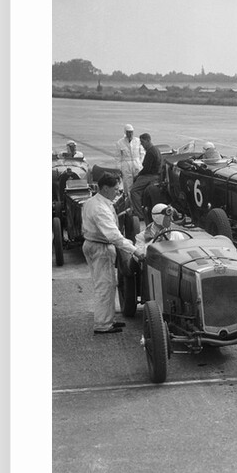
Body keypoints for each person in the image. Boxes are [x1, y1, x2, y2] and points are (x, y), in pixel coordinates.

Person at [81, 173, 146, 334]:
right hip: (100, 248)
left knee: (109, 285)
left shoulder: (95, 201)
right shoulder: (100, 209)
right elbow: (113, 235)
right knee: (104, 286)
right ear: (105, 188)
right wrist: (136, 251)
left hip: (96, 245)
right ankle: (103, 325)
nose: (118, 192)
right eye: (115, 189)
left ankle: (108, 320)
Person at [128, 132, 163, 221]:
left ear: (148, 141)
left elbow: (146, 169)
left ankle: (139, 214)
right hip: (156, 175)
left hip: (150, 176)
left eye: (143, 142)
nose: (142, 145)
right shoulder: (156, 149)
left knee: (134, 191)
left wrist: (138, 176)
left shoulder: (151, 152)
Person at [115, 123, 145, 205]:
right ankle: (129, 203)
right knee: (128, 185)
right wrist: (119, 169)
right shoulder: (120, 143)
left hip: (137, 164)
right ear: (125, 132)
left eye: (131, 132)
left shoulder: (138, 141)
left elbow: (142, 153)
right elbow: (118, 157)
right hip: (126, 165)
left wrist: (140, 164)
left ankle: (139, 202)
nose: (130, 134)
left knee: (138, 184)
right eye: (128, 132)